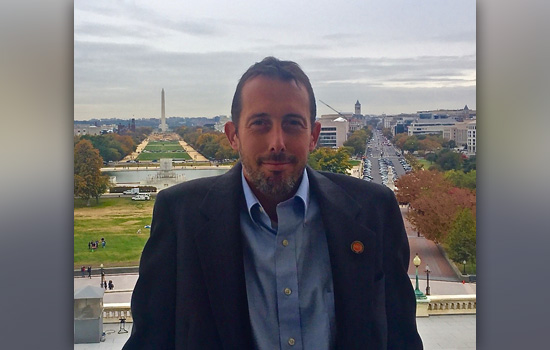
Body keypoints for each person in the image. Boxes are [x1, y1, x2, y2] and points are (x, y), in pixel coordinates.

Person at [123, 57, 422, 349]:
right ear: (233, 135)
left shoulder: (374, 212)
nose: (277, 142)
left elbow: (401, 337)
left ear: (313, 136)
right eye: (260, 124)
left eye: (293, 124)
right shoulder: (180, 216)